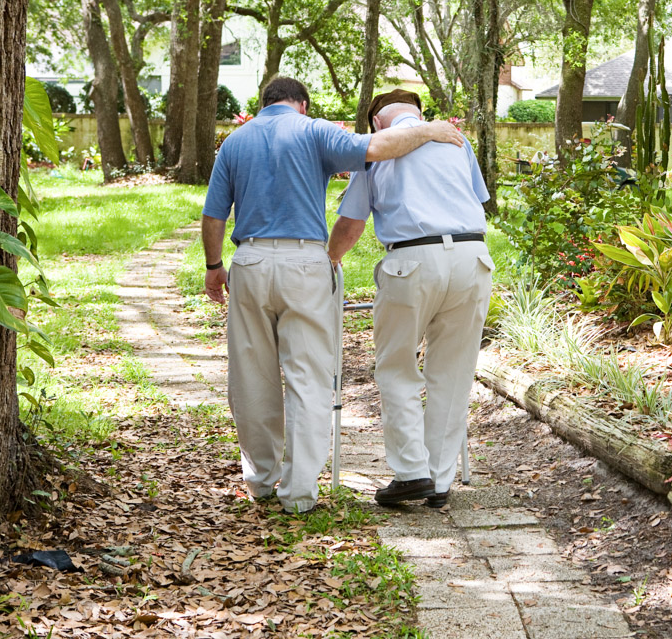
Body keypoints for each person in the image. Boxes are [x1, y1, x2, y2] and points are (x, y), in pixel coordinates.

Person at [201, 77, 463, 514]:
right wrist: (430, 130)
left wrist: (214, 268)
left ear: (263, 103)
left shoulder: (234, 142)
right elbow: (377, 147)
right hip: (305, 262)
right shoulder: (314, 130)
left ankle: (261, 481)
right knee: (308, 377)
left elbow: (214, 214)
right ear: (301, 104)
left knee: (251, 375)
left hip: (248, 261)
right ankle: (300, 493)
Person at [327, 89, 492, 508]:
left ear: (376, 123)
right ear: (419, 113)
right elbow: (478, 199)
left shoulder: (377, 149)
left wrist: (328, 260)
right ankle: (439, 481)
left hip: (412, 259)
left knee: (397, 367)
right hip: (474, 256)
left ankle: (411, 473)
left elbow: (352, 223)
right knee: (453, 374)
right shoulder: (456, 139)